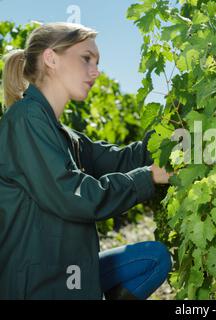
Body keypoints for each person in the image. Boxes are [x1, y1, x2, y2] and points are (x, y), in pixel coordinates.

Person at [0, 22, 172, 300]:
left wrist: (171, 127)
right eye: (86, 59)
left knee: (154, 259)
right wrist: (149, 176)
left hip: (66, 274)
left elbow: (123, 160)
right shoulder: (25, 120)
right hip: (39, 285)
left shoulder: (62, 134)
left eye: (97, 62)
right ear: (51, 58)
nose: (95, 71)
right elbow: (75, 196)